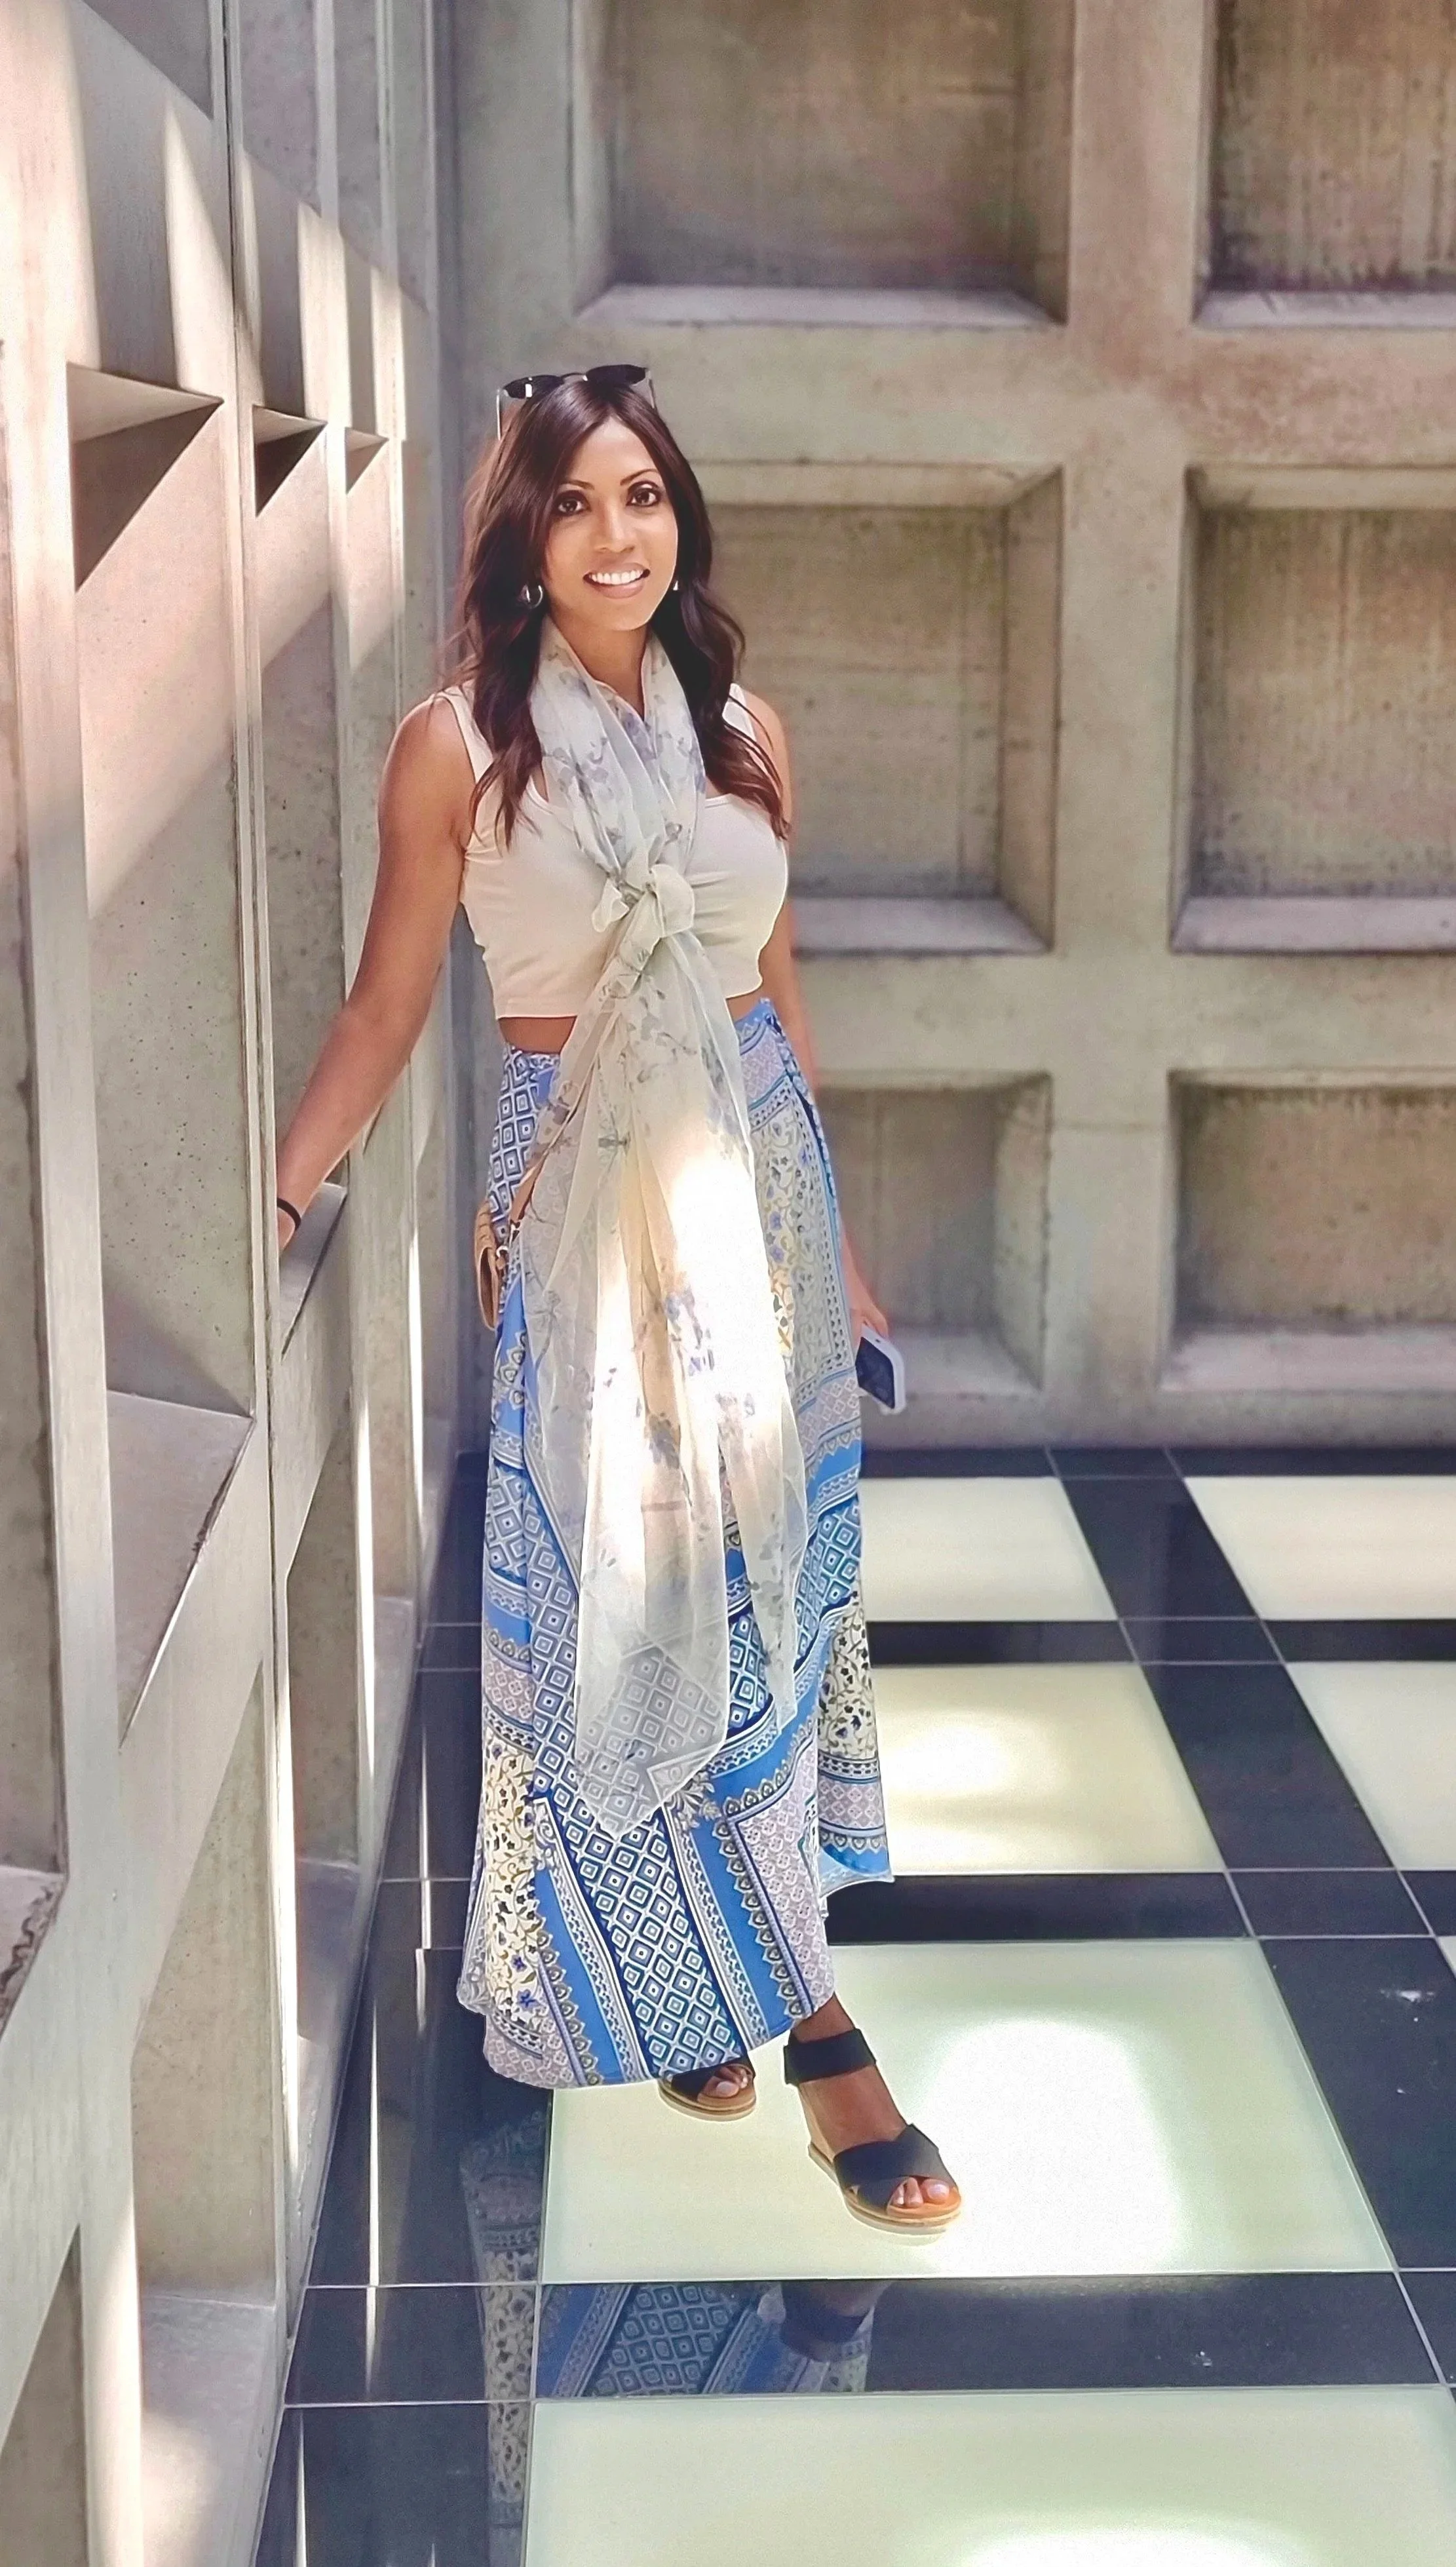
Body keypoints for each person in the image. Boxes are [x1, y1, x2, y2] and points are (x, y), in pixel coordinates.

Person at [275, 366, 959, 2231]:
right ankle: (794, 2024)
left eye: (643, 494)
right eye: (575, 503)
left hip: (757, 1193)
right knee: (619, 1605)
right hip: (577, 1198)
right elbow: (387, 1001)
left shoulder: (747, 733)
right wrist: (276, 1184)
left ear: (681, 516)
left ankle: (745, 1989)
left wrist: (846, 1239)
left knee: (761, 1607)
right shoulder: (457, 749)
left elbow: (775, 989)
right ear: (522, 536)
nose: (617, 534)